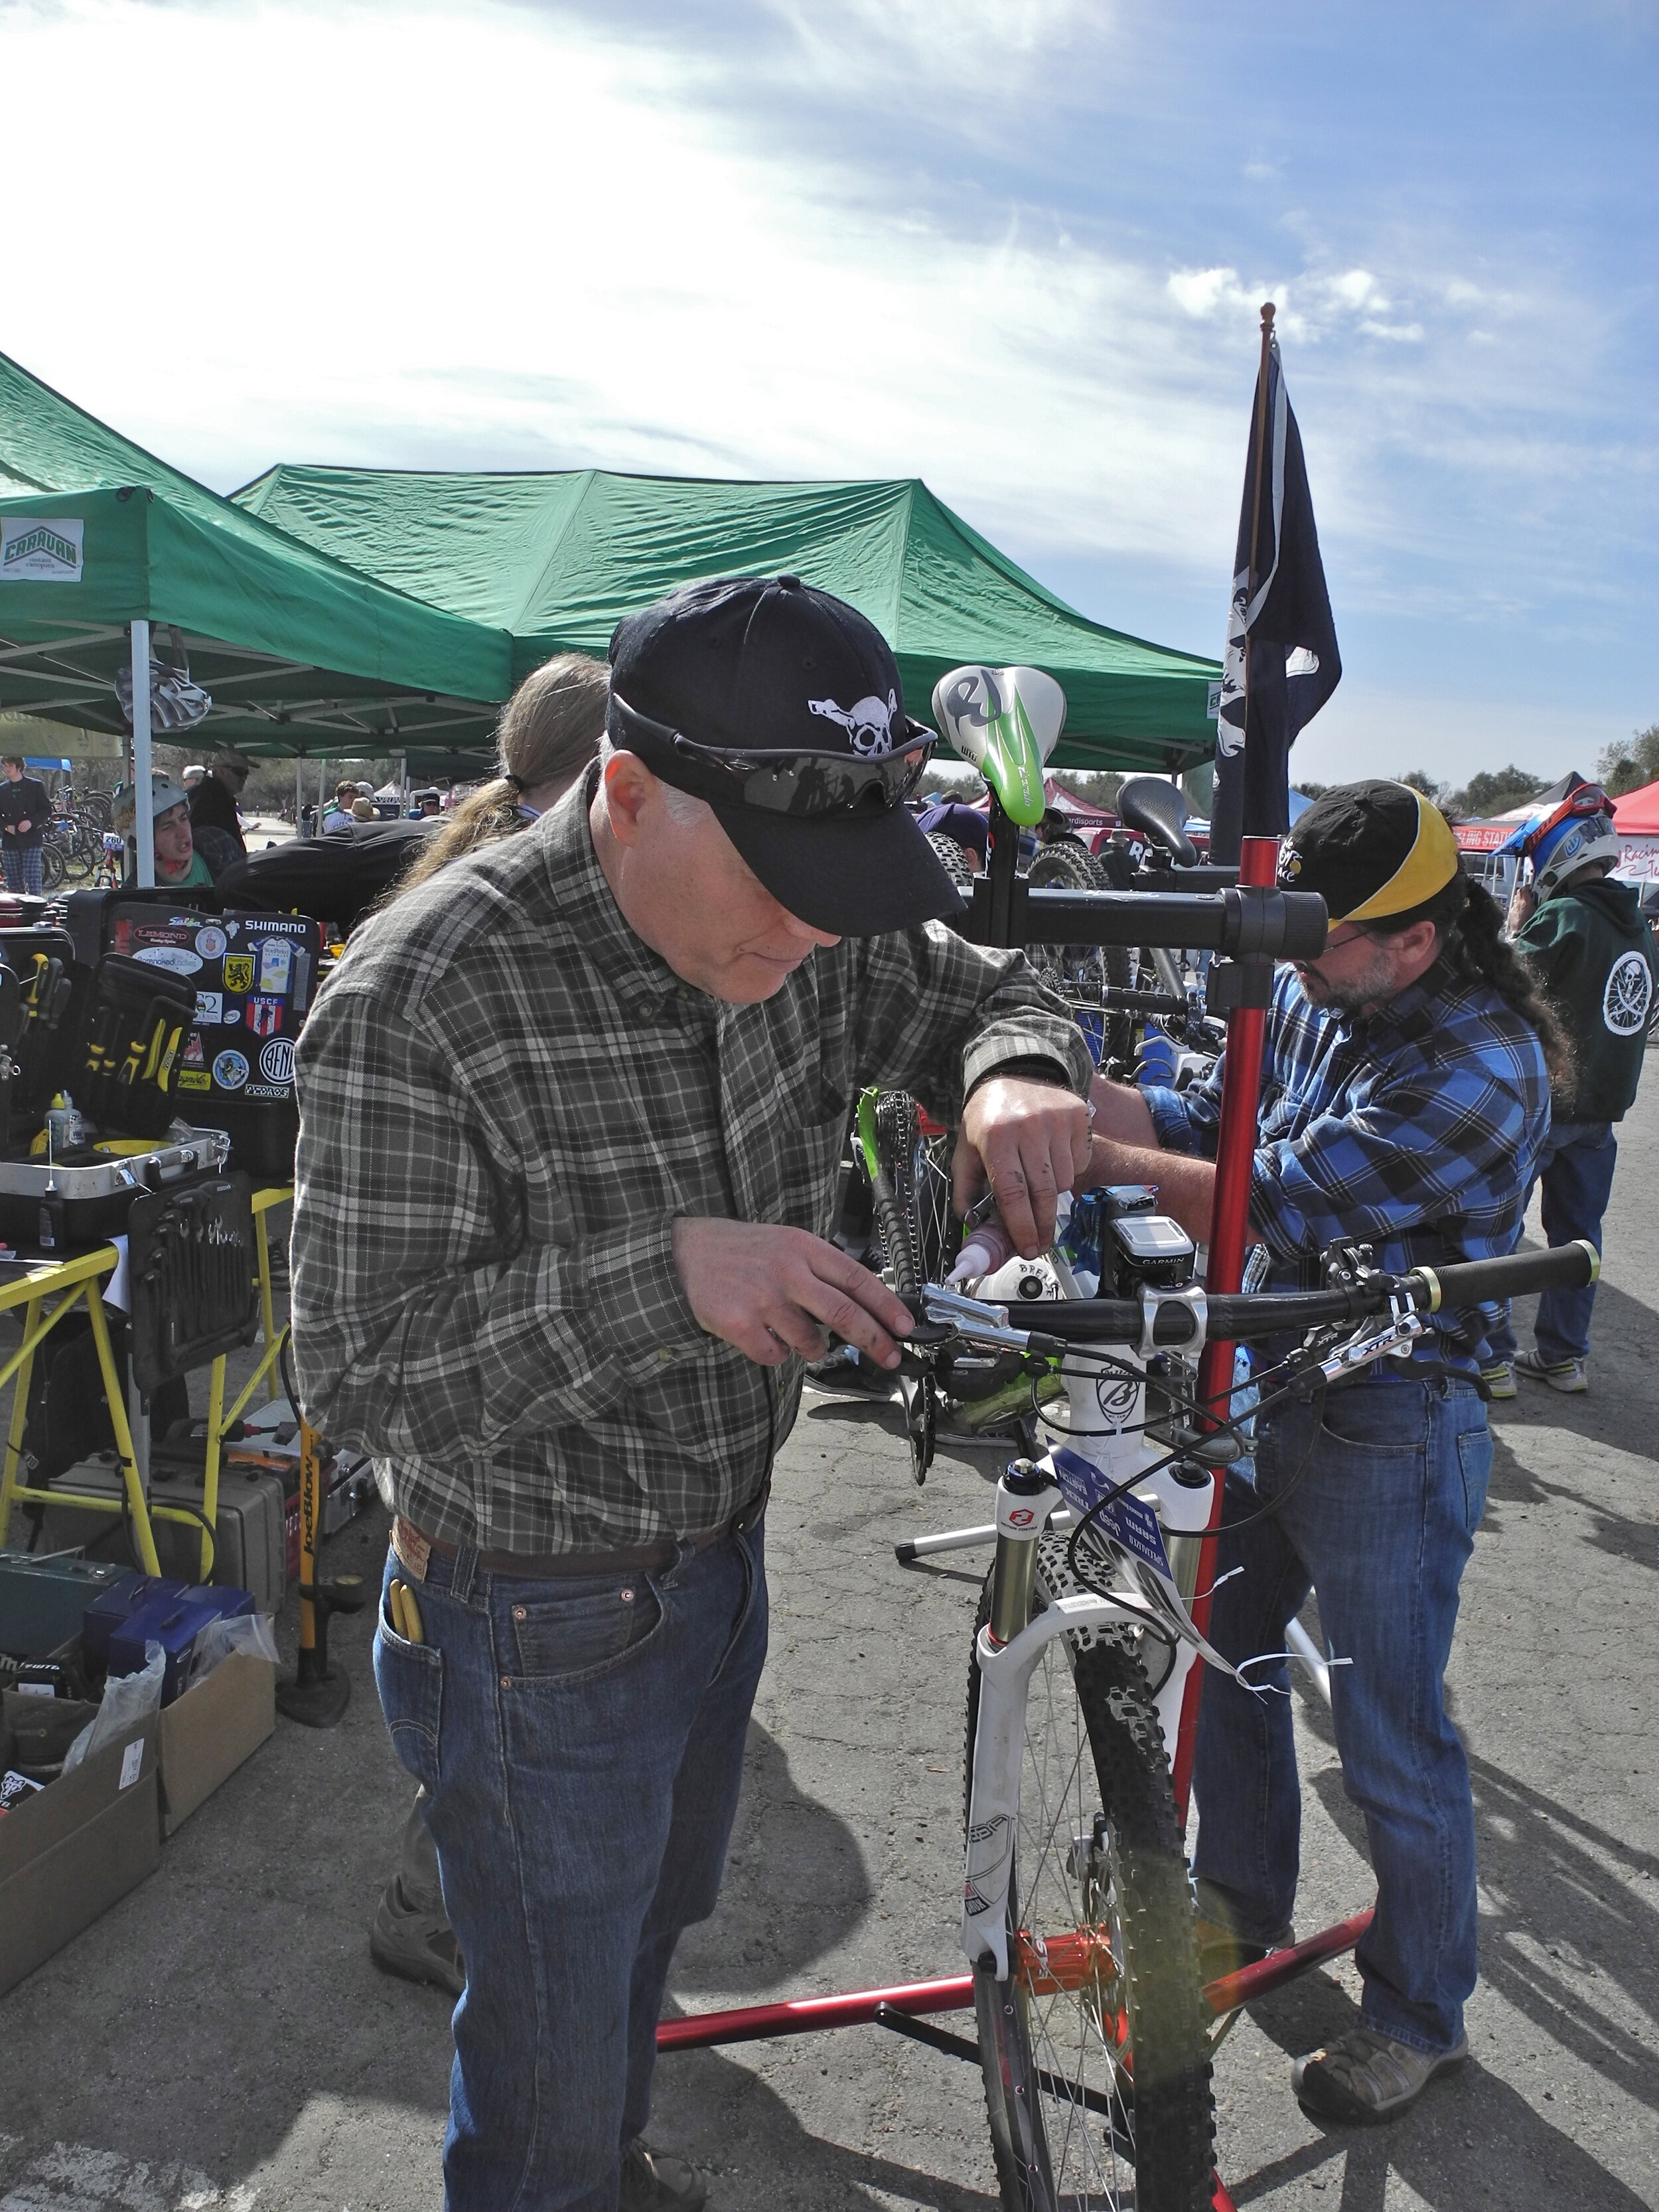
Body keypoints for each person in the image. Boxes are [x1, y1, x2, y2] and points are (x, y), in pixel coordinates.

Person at [290, 574, 1093, 2212]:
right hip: (525, 1618)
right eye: (782, 891)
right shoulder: (423, 990)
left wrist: (1018, 1066)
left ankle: (599, 2160)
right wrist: (670, 1277)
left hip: (714, 1560)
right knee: (545, 2024)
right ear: (629, 795)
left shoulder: (786, 921)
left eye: (835, 892)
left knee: (637, 1947)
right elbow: (359, 1374)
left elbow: (976, 984)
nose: (809, 939)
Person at [1081, 780, 1561, 2125]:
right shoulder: (1317, 985)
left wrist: (1078, 1157)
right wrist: (1057, 1083)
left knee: (1387, 1741)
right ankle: (1239, 1912)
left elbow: (1260, 1186)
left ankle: (1419, 2015)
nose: (1296, 956)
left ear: (1412, 940)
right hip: (1270, 1389)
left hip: (1388, 1429)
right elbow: (1217, 1115)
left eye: (1323, 934)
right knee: (1222, 1669)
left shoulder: (1480, 1067)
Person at [366, 648, 612, 1999]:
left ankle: (449, 1891)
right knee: (489, 1708)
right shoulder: (481, 926)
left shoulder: (500, 884)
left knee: (495, 1708)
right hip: (486, 1414)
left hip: (503, 1400)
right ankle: (428, 1903)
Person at [1481, 786, 1657, 1394]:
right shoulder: (1639, 929)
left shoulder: (1565, 917)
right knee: (1579, 1238)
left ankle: (1490, 1357)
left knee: (1499, 1227)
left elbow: (1501, 980)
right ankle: (1563, 1356)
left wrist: (1517, 924)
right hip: (1602, 1112)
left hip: (1546, 1105)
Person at [112, 774, 219, 888]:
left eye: (183, 818)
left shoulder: (218, 845)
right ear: (143, 843)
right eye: (168, 827)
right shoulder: (135, 895)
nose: (183, 833)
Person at [0, 756, 52, 895]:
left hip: (31, 839)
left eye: (10, 766)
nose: (7, 769)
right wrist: (6, 826)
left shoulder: (35, 786)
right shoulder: (2, 789)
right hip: (10, 841)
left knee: (32, 876)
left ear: (19, 767)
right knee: (14, 881)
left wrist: (31, 822)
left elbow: (46, 809)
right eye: (5, 766)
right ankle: (18, 912)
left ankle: (36, 909)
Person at [188, 747, 252, 858]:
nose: (244, 777)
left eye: (246, 773)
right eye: (239, 772)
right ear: (221, 771)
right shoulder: (209, 798)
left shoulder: (221, 797)